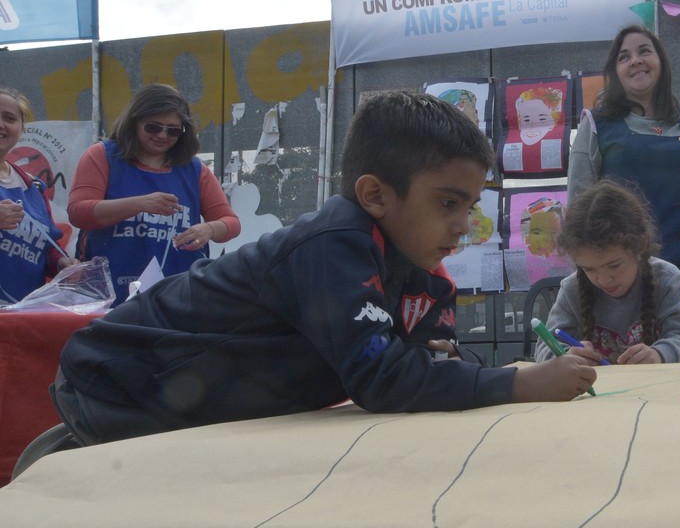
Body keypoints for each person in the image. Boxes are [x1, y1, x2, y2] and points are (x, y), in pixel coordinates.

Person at [48, 90, 597, 450]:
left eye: (470, 206)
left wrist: (452, 365)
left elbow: (432, 362)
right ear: (375, 195)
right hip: (117, 384)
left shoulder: (425, 273)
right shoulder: (335, 243)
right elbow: (383, 380)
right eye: (448, 203)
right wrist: (519, 381)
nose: (464, 225)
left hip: (203, 401)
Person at [568, 25, 680, 355]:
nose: (636, 61)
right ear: (615, 71)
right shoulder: (595, 125)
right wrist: (596, 276)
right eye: (624, 57)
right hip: (623, 287)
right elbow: (579, 210)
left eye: (644, 51)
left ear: (661, 61)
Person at [67, 83, 241, 305]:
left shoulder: (195, 171)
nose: (162, 135)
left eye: (173, 130)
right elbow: (79, 212)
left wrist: (210, 229)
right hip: (109, 296)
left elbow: (231, 223)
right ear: (134, 122)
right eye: (153, 127)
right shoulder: (102, 156)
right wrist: (140, 204)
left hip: (177, 296)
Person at [534, 180, 680, 365]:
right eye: (588, 269)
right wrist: (566, 357)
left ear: (641, 243)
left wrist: (659, 354)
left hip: (655, 383)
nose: (603, 280)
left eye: (614, 265)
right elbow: (545, 347)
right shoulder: (572, 289)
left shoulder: (667, 280)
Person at [0, 85, 77, 302]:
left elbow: (46, 245)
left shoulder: (33, 186)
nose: (1, 124)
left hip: (24, 312)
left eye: (9, 118)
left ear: (22, 128)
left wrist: (62, 263)